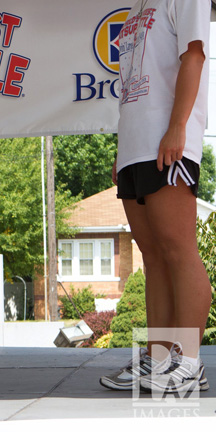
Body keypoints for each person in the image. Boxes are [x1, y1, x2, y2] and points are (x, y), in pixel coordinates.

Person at [100, 0, 211, 394]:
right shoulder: (135, 9)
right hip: (135, 144)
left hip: (168, 140)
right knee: (153, 255)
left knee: (179, 250)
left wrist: (178, 126)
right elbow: (132, 83)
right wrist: (122, 148)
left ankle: (190, 362)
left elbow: (194, 57)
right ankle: (158, 358)